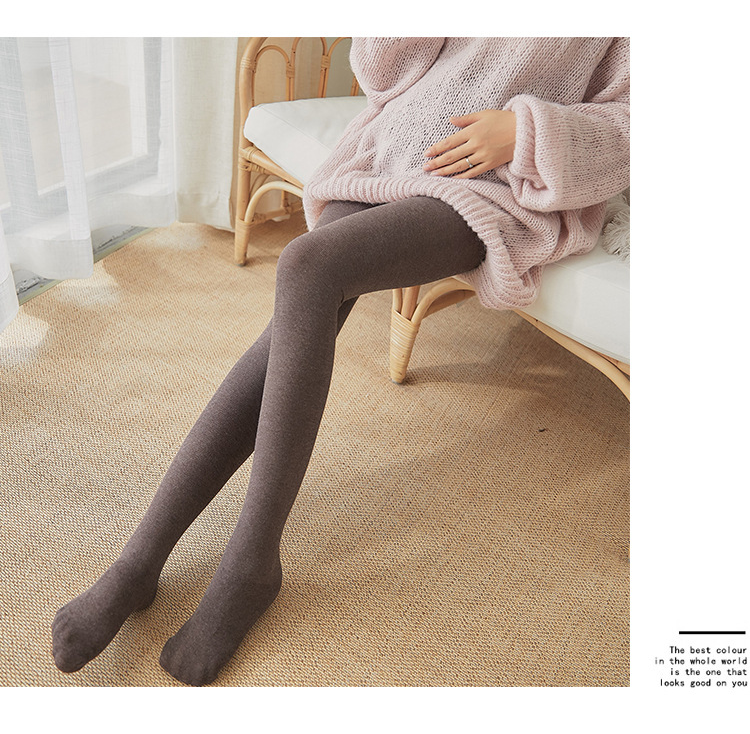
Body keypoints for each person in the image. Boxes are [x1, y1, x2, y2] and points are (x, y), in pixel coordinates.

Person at [51, 37, 630, 686]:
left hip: (498, 185)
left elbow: (636, 124)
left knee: (308, 266)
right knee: (294, 317)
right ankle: (142, 564)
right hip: (396, 146)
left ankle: (242, 562)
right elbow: (383, 69)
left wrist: (524, 134)